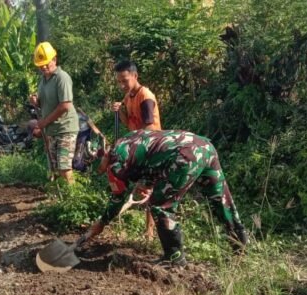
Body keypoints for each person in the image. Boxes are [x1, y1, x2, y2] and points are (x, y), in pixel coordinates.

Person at [85, 130, 249, 267]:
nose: (99, 170)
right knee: (220, 199)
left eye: (97, 166)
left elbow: (118, 199)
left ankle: (174, 257)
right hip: (204, 147)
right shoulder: (126, 140)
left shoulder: (115, 162)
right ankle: (240, 248)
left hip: (184, 156)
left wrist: (101, 223)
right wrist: (146, 184)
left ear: (102, 156)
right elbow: (152, 156)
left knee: (160, 206)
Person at [110, 60, 161, 240]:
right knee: (141, 185)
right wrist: (119, 111)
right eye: (119, 81)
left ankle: (150, 231)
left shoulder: (145, 96)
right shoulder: (128, 96)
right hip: (139, 146)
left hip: (151, 146)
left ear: (135, 76)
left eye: (125, 80)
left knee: (148, 187)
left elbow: (148, 128)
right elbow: (128, 122)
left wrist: (132, 144)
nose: (122, 85)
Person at [29, 41, 79, 184]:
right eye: (40, 65)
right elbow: (43, 102)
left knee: (64, 168)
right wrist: (35, 101)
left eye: (46, 63)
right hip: (51, 130)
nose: (43, 67)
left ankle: (72, 199)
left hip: (65, 129)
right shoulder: (43, 80)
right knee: (54, 167)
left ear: (54, 59)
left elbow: (65, 105)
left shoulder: (62, 78)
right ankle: (59, 199)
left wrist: (44, 122)